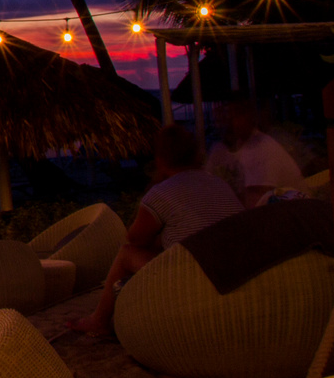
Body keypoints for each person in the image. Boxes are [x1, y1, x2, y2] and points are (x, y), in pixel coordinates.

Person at [69, 124, 241, 336]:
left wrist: (154, 186)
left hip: (194, 280)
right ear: (196, 155)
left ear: (160, 159)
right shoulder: (219, 184)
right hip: (233, 274)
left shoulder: (162, 193)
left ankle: (98, 321)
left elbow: (134, 240)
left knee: (126, 254)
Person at [205, 98, 306, 207]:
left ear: (249, 117)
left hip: (290, 213)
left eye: (235, 113)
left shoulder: (262, 148)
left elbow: (255, 204)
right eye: (222, 113)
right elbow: (205, 186)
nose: (226, 119)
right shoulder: (220, 149)